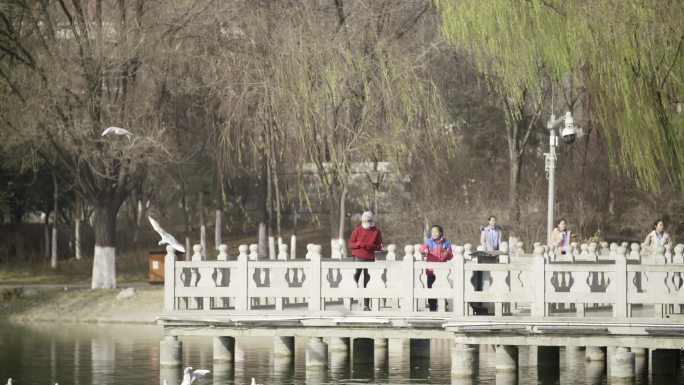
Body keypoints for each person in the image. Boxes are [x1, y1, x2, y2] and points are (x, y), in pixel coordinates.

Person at [348, 211, 383, 311]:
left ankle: (366, 305)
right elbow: (350, 244)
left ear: (372, 221)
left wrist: (368, 246)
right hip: (357, 257)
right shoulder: (357, 230)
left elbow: (379, 247)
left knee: (368, 281)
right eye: (363, 221)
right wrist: (358, 244)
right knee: (354, 279)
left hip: (369, 258)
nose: (364, 223)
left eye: (367, 221)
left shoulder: (376, 232)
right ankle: (349, 301)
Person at [419, 225, 453, 311]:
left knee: (443, 288)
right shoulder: (429, 242)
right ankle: (432, 307)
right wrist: (424, 250)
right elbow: (421, 249)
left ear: (441, 233)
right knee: (431, 289)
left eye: (436, 232)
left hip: (442, 271)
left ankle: (444, 304)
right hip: (431, 270)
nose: (434, 233)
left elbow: (450, 256)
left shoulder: (446, 243)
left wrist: (447, 254)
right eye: (432, 232)